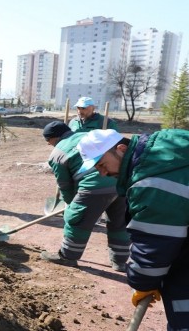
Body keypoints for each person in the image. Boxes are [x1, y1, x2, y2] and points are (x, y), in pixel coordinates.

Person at [77, 128, 189, 330]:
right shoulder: (167, 149)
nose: (102, 173)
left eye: (102, 164)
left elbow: (154, 247)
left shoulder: (150, 184)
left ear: (120, 148)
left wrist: (142, 282)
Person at [39, 122, 130, 271]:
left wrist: (71, 205)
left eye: (48, 142)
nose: (49, 145)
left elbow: (65, 185)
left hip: (94, 186)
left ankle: (68, 257)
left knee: (77, 219)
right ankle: (119, 261)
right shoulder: (87, 136)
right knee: (119, 221)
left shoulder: (57, 153)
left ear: (53, 138)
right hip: (120, 181)